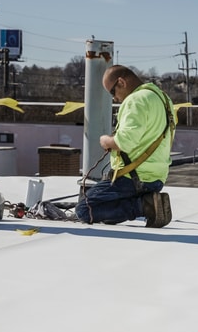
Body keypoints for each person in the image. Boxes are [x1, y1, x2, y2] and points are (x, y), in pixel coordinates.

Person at [75, 65, 175, 228]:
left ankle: (144, 206)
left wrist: (106, 140)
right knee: (107, 215)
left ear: (121, 82)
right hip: (157, 179)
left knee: (85, 209)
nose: (114, 98)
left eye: (112, 92)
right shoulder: (163, 98)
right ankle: (148, 202)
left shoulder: (136, 100)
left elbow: (125, 143)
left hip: (132, 179)